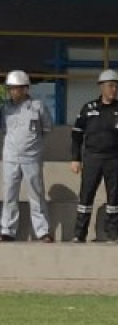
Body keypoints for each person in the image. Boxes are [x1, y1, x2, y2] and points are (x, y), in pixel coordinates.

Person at [71, 69, 118, 244]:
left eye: (116, 86)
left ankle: (114, 233)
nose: (113, 89)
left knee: (114, 196)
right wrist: (75, 158)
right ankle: (79, 233)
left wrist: (116, 143)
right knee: (86, 196)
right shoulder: (89, 108)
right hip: (92, 157)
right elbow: (77, 134)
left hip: (114, 158)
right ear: (101, 87)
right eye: (110, 86)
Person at [0, 71, 53, 242]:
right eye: (10, 89)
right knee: (9, 195)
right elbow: (4, 130)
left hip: (31, 157)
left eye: (16, 89)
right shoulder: (5, 108)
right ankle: (7, 229)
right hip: (10, 157)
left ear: (25, 89)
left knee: (36, 194)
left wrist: (34, 147)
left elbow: (46, 129)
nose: (12, 92)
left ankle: (42, 230)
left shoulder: (37, 106)